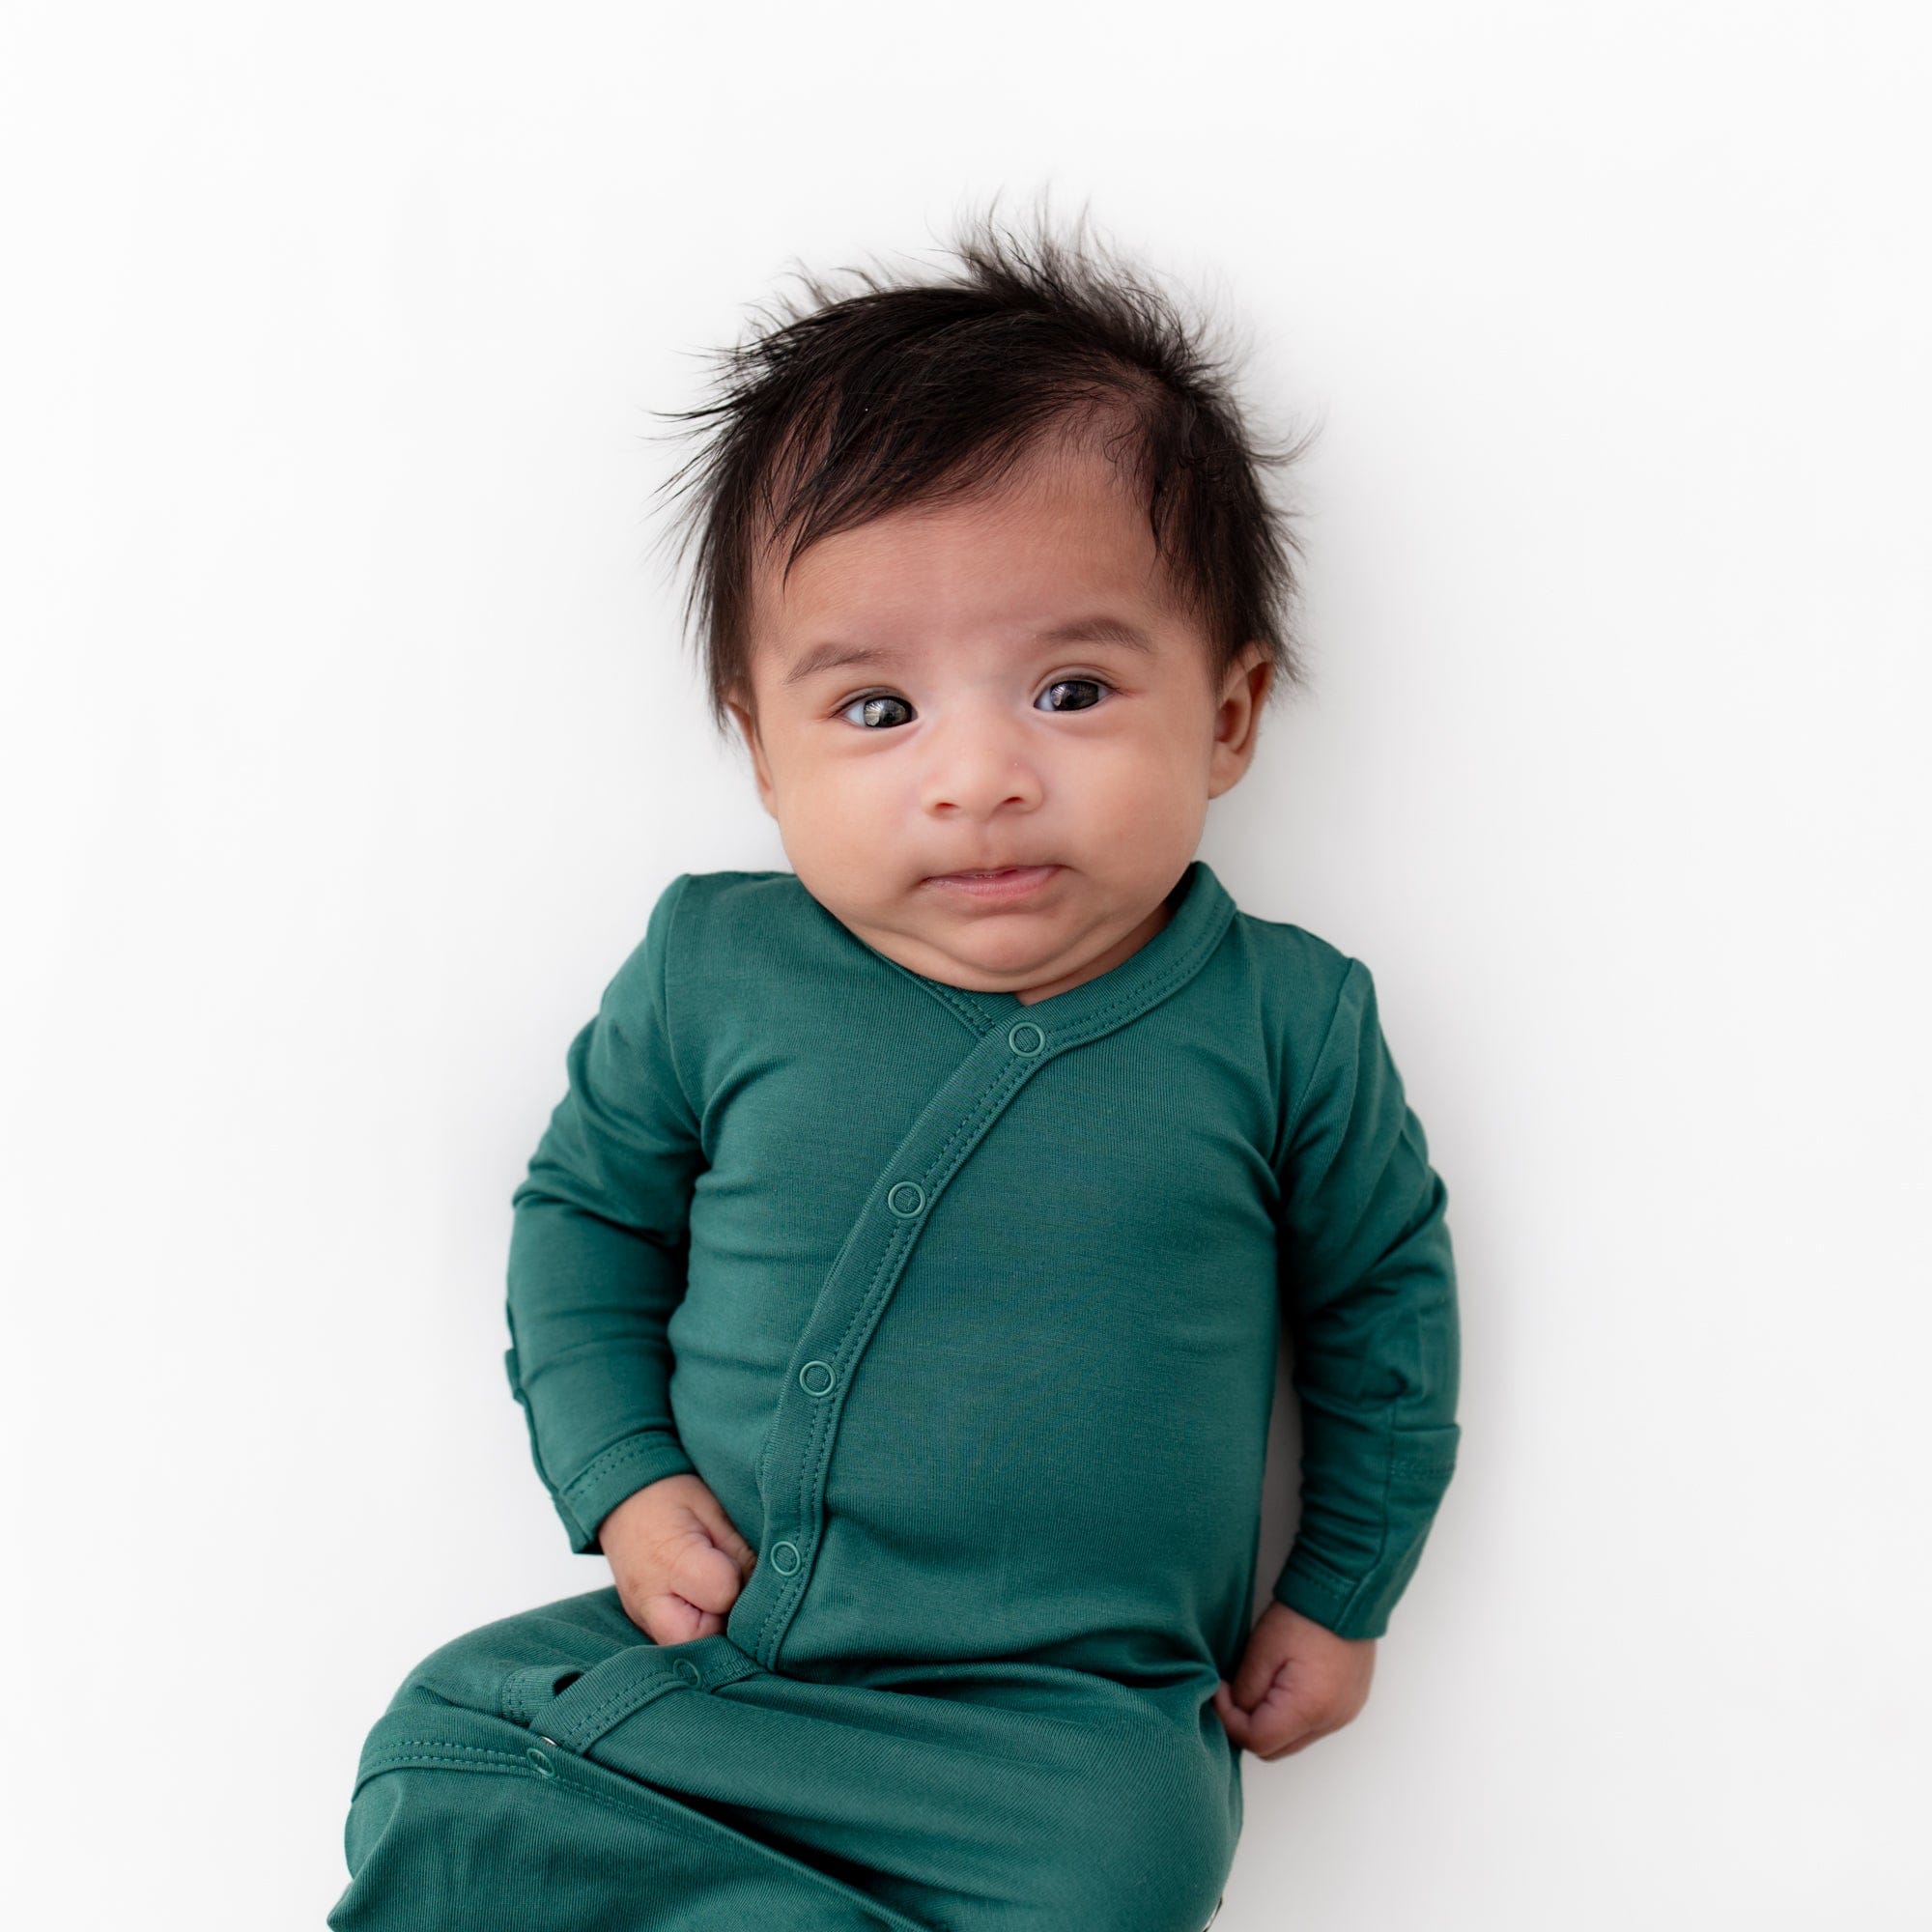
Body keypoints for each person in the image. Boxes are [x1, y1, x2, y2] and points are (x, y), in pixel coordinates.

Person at [327, 199, 1462, 1931]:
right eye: (878, 710)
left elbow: (1383, 1316)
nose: (980, 776)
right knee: (447, 1747)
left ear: (1227, 716)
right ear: (762, 747)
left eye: (1072, 688)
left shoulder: (1281, 1019)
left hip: (1061, 1731)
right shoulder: (717, 965)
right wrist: (620, 1477)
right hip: (729, 1667)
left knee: (1124, 1870)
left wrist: (1343, 1592)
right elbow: (582, 1223)